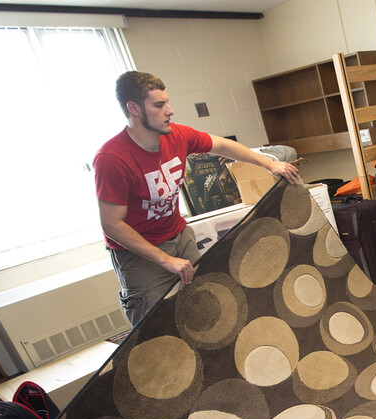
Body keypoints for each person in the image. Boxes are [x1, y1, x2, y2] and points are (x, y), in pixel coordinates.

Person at [95, 71, 300, 326]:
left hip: (178, 236)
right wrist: (165, 260)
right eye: (159, 105)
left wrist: (269, 164)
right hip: (140, 255)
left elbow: (223, 146)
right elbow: (111, 224)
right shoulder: (112, 159)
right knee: (157, 327)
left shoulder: (177, 136)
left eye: (167, 102)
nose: (169, 110)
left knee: (206, 308)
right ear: (134, 108)